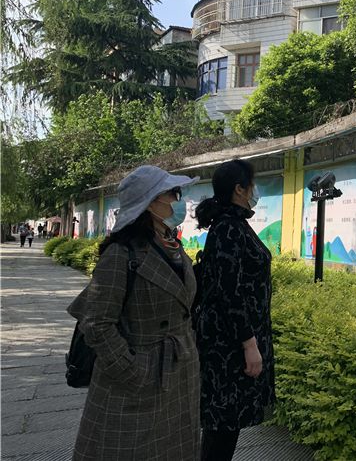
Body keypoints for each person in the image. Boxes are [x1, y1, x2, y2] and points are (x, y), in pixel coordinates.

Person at [67, 165, 201, 460]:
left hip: (179, 376)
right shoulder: (121, 254)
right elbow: (96, 323)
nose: (179, 201)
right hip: (136, 385)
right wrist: (134, 370)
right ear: (151, 203)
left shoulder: (172, 245)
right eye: (173, 194)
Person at [194, 160, 274, 461]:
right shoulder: (228, 228)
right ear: (239, 189)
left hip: (235, 342)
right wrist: (249, 344)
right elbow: (229, 292)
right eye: (251, 184)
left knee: (225, 427)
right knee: (222, 426)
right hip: (229, 348)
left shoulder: (233, 224)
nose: (254, 190)